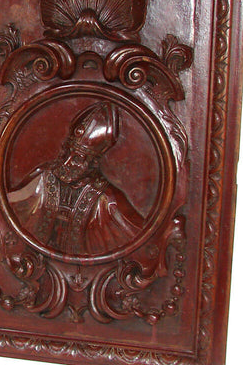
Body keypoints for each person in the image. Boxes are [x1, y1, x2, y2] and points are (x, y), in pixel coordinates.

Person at [8, 101, 143, 256]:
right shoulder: (44, 177)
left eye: (77, 158)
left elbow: (137, 239)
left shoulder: (106, 200)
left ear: (93, 164)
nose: (67, 162)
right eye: (67, 152)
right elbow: (10, 205)